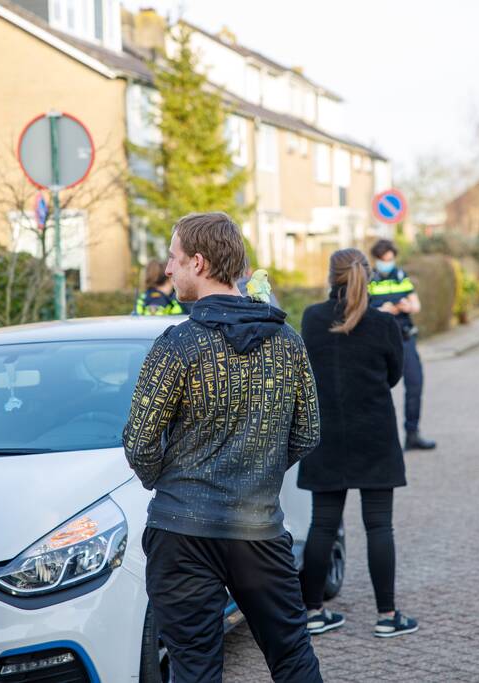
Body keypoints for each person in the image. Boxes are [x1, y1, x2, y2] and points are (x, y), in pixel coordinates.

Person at [122, 212, 323, 683]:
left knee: (194, 667)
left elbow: (139, 439)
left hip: (182, 530)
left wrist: (168, 481)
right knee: (292, 657)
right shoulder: (287, 343)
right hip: (258, 529)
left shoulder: (177, 345)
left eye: (173, 259)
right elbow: (308, 432)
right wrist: (260, 468)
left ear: (198, 261)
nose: (167, 270)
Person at [298, 248, 419, 639]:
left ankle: (313, 612)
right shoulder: (383, 324)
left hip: (327, 435)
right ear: (367, 276)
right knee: (379, 526)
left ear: (330, 277)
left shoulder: (312, 319)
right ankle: (387, 616)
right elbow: (394, 375)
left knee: (322, 526)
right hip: (375, 434)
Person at [368, 239, 436, 450]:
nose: (387, 263)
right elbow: (360, 311)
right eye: (383, 260)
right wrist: (383, 311)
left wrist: (406, 306)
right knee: (374, 388)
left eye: (390, 259)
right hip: (378, 342)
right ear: (377, 259)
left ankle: (412, 433)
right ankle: (377, 439)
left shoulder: (401, 276)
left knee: (415, 384)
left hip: (405, 338)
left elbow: (416, 305)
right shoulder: (368, 279)